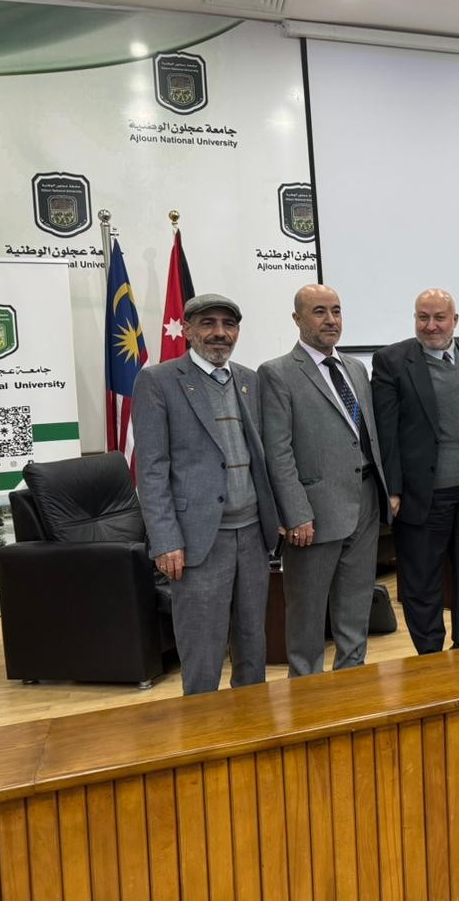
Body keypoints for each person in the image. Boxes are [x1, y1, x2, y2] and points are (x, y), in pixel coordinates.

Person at [132, 293, 280, 695]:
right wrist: (165, 540)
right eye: (208, 323)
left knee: (253, 641)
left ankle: (251, 720)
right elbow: (151, 468)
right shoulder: (158, 381)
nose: (219, 333)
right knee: (202, 649)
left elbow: (260, 456)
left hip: (253, 534)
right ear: (187, 329)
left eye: (228, 325)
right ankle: (202, 725)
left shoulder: (249, 380)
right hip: (197, 540)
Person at [258, 284, 388, 675]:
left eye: (336, 311)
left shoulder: (355, 368)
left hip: (365, 500)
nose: (330, 320)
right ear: (297, 318)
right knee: (307, 617)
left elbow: (363, 436)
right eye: (319, 311)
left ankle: (351, 686)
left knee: (356, 609)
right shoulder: (277, 373)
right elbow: (277, 452)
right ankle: (306, 693)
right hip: (313, 515)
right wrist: (296, 513)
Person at [370, 289, 459, 653]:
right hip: (424, 494)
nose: (430, 326)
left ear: (454, 320)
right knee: (421, 580)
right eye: (422, 317)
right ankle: (430, 654)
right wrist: (392, 489)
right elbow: (386, 431)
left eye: (439, 317)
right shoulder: (392, 361)